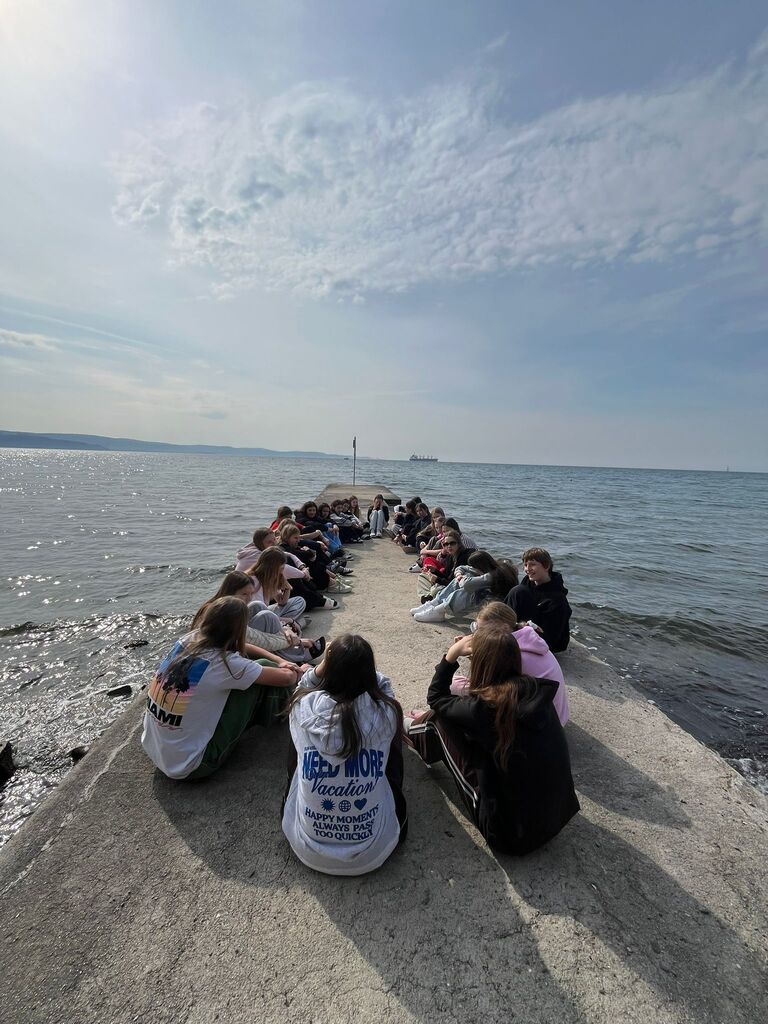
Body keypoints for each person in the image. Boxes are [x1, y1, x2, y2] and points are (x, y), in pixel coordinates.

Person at [407, 625, 579, 854]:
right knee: (461, 723)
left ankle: (408, 730)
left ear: (481, 665)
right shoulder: (536, 692)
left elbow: (436, 697)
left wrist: (451, 655)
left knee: (437, 720)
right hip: (556, 819)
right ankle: (419, 729)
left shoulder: (485, 709)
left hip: (510, 837)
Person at [281, 634, 407, 875]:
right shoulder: (387, 713)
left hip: (308, 848)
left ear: (329, 670)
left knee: (298, 738)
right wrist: (362, 667)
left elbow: (302, 686)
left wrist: (325, 662)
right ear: (369, 674)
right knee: (389, 749)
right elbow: (386, 690)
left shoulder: (302, 707)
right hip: (372, 851)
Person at [141, 597, 299, 780]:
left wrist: (279, 660)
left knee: (252, 673)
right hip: (193, 765)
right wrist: (296, 670)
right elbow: (287, 678)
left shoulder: (187, 639)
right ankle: (282, 714)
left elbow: (245, 647)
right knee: (262, 669)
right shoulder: (224, 664)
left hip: (155, 750)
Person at [449, 601, 569, 726]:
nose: (478, 635)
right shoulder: (529, 639)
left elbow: (485, 684)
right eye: (476, 629)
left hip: (538, 723)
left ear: (504, 628)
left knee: (453, 685)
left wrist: (456, 653)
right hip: (555, 715)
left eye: (483, 630)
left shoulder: (509, 652)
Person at [193, 571, 325, 664]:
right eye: (244, 594)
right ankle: (295, 657)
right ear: (230, 592)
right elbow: (258, 639)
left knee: (257, 605)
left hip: (239, 642)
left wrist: (285, 630)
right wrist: (296, 641)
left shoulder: (225, 604)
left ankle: (292, 647)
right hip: (227, 653)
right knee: (267, 616)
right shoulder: (223, 612)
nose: (249, 598)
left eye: (251, 593)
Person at [411, 551, 518, 622]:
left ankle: (439, 610)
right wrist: (459, 575)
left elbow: (467, 585)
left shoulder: (492, 576)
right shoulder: (492, 567)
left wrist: (461, 579)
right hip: (487, 597)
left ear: (481, 565)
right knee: (463, 578)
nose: (472, 568)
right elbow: (462, 567)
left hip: (497, 605)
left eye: (474, 566)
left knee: (469, 590)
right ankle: (435, 603)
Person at [505, 547, 572, 653]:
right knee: (517, 591)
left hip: (547, 642)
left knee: (518, 591)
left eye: (532, 564)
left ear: (546, 566)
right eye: (525, 565)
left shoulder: (557, 598)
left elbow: (552, 636)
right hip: (525, 630)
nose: (527, 569)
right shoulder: (527, 584)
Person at [415, 530, 476, 601]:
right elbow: (446, 576)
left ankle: (430, 597)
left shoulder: (464, 557)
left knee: (438, 589)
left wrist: (437, 579)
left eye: (452, 543)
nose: (449, 546)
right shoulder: (450, 556)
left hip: (458, 588)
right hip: (448, 585)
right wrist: (434, 571)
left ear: (459, 544)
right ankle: (428, 596)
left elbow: (454, 583)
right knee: (423, 576)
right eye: (446, 544)